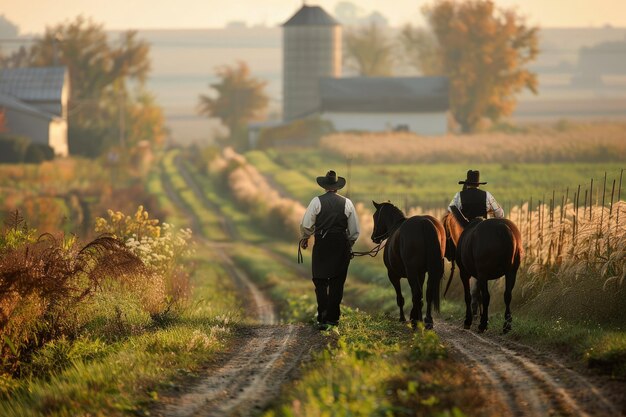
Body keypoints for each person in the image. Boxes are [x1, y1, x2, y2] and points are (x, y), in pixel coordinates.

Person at [300, 170, 360, 331]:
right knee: (337, 282)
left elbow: (307, 224)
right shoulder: (347, 203)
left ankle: (322, 317)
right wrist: (349, 245)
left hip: (322, 244)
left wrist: (305, 238)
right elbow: (354, 231)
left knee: (320, 281)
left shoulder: (316, 201)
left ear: (325, 187)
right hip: (341, 244)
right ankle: (333, 319)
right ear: (337, 187)